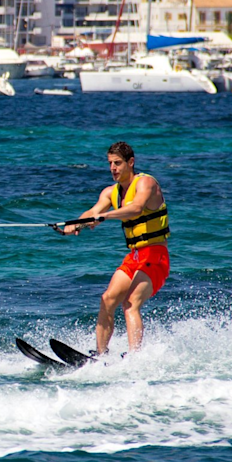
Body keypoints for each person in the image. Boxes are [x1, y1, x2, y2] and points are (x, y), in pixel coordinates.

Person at [63, 141, 170, 355]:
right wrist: (75, 224)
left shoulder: (146, 183)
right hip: (135, 257)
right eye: (110, 163)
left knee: (131, 303)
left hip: (156, 256)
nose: (113, 168)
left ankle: (135, 358)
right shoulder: (110, 192)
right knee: (107, 299)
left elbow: (136, 208)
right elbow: (93, 212)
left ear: (131, 162)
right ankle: (100, 354)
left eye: (118, 163)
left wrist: (104, 216)